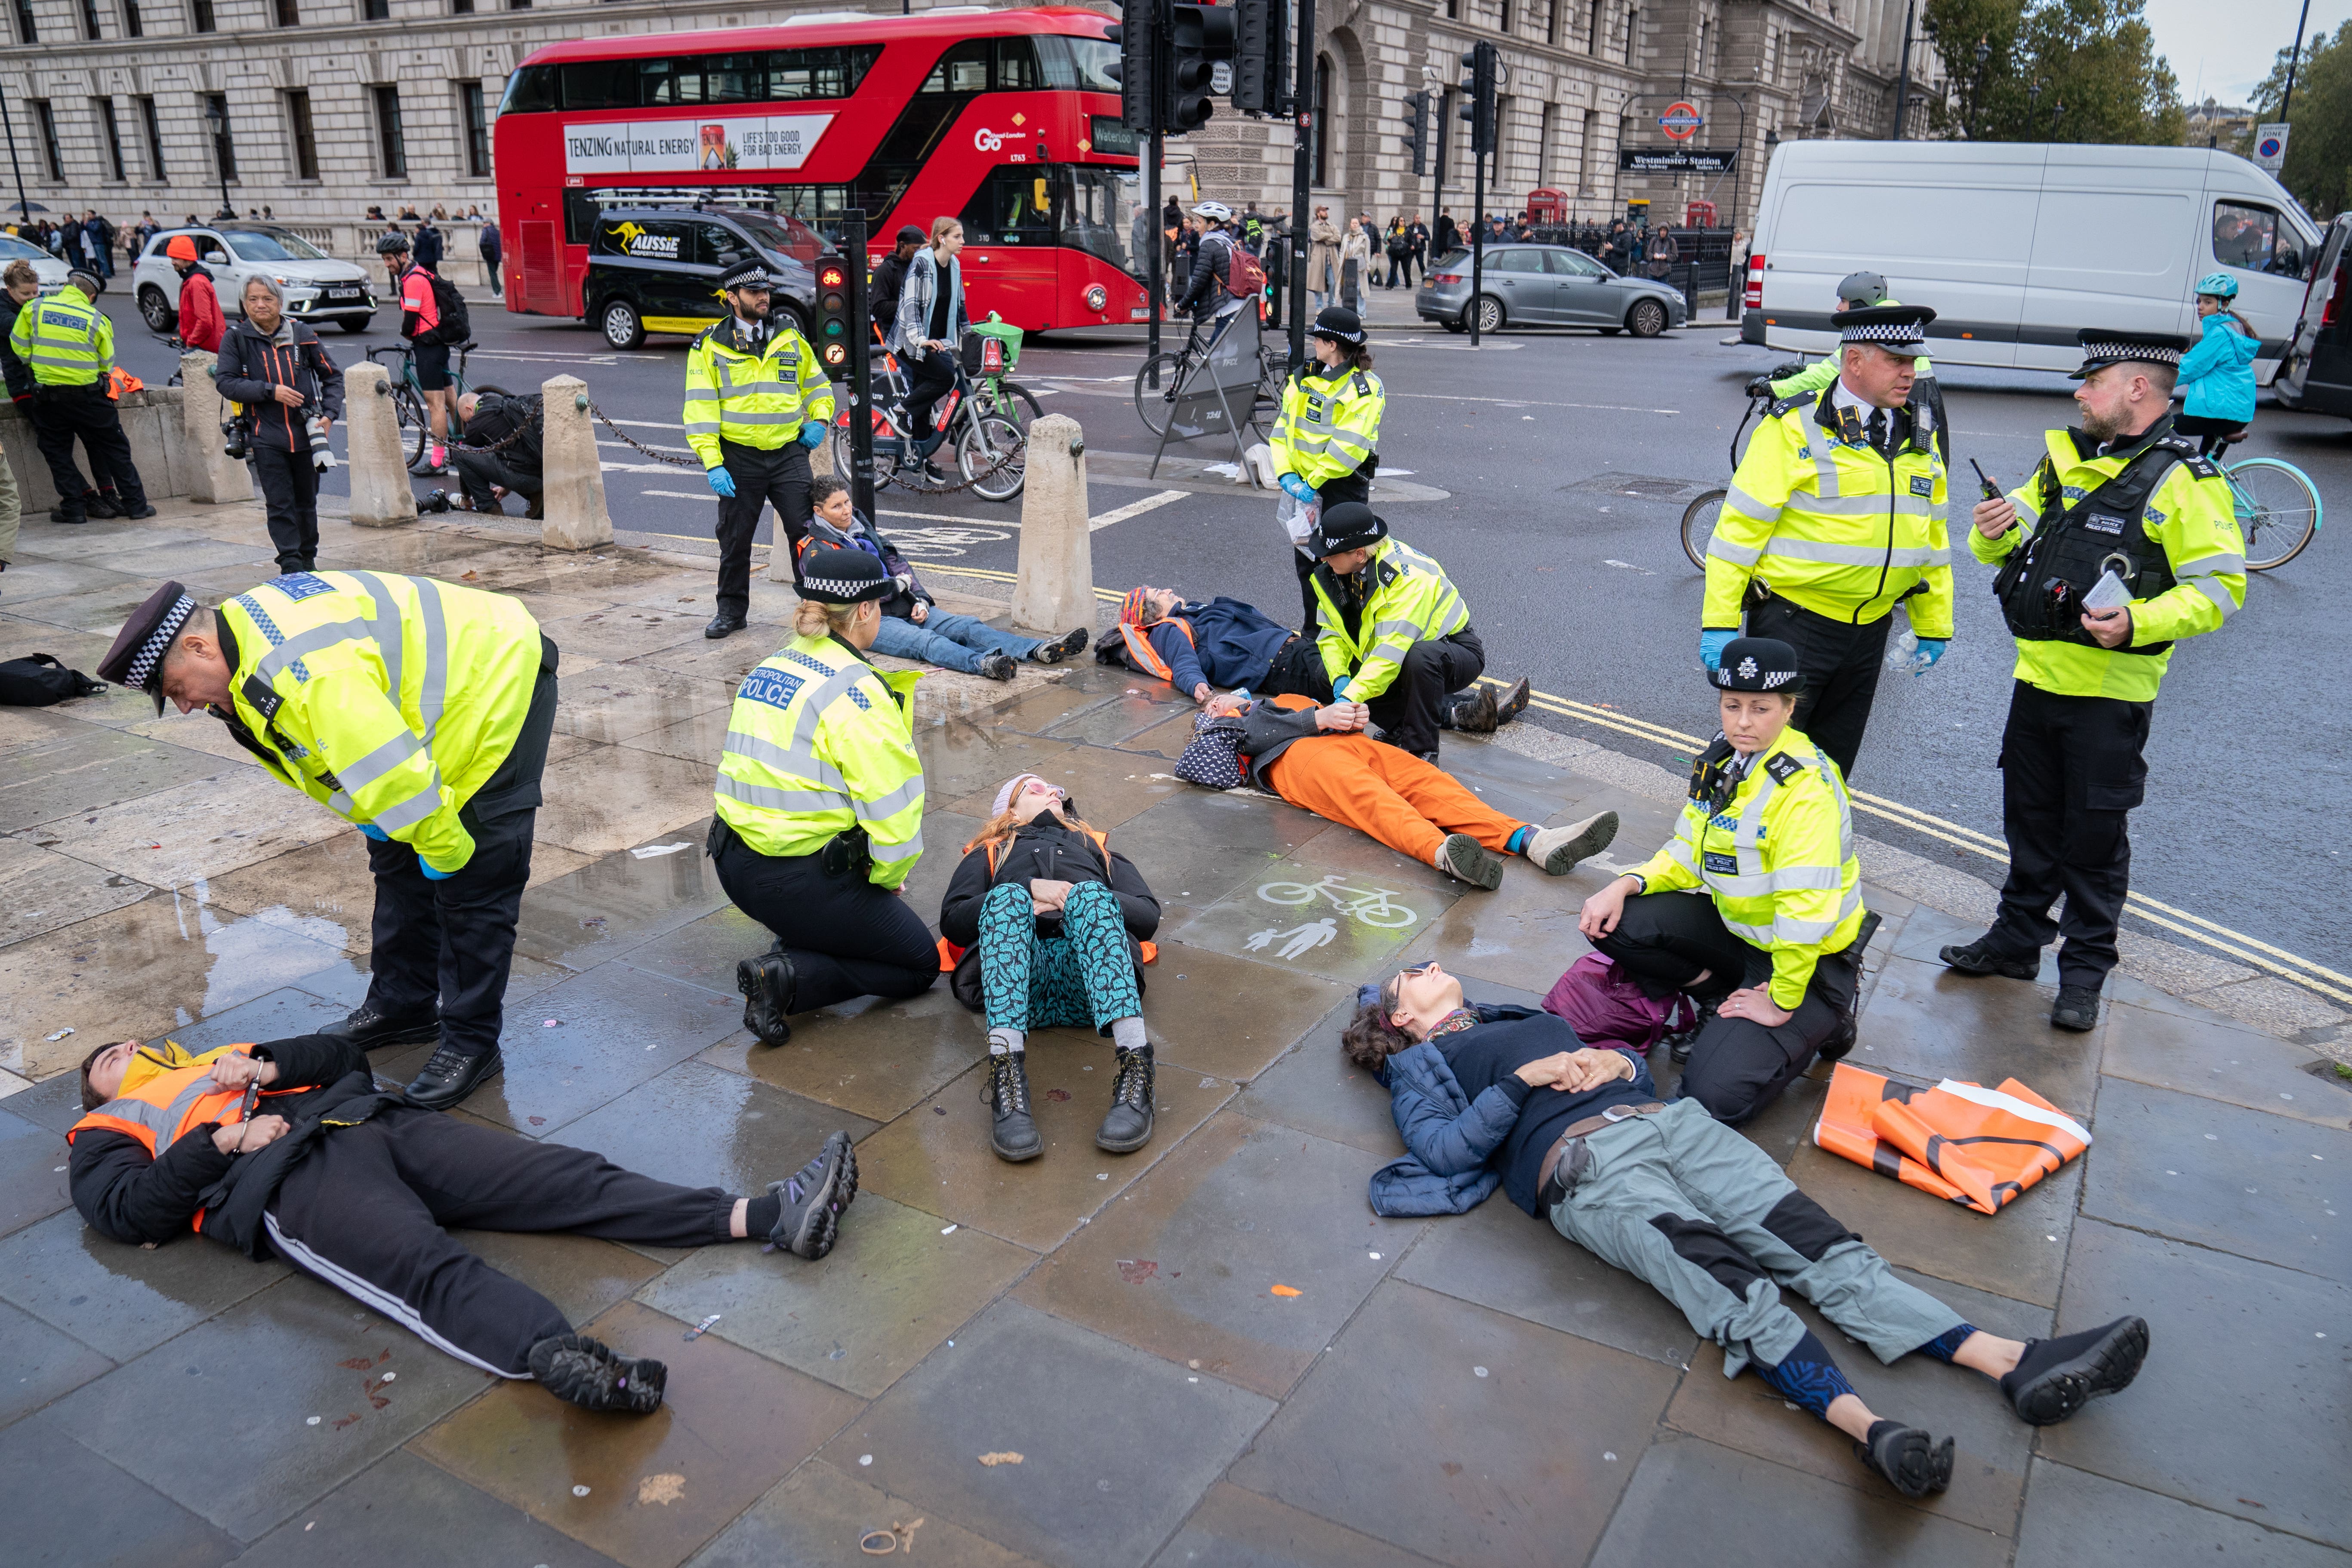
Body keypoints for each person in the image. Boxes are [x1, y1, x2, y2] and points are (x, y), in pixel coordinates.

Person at [1343, 961, 2151, 1500]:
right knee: (1723, 1281)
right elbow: (1447, 1148)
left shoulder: (1513, 1011)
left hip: (1669, 1126)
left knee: (1814, 1240)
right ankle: (1871, 1433)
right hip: (1590, 1169)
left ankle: (2008, 1361)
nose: (1423, 967)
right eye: (1407, 976)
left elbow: (1624, 1056)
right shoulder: (1418, 1069)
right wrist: (1527, 1078)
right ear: (1402, 1019)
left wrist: (1612, 1064)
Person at [68, 1032, 859, 1411]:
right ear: (97, 1094)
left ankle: (768, 1215)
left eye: (129, 1039)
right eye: (104, 1057)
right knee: (420, 1266)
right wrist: (226, 1139)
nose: (123, 1047)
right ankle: (564, 1360)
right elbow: (127, 1213)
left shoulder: (223, 1054)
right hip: (288, 1180)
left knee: (565, 1178)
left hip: (375, 1123)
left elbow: (346, 1060)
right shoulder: (107, 1132)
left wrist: (268, 1065)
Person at [95, 575, 557, 1110]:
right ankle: (403, 1006)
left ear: (198, 646)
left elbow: (386, 769)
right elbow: (331, 761)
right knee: (398, 862)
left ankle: (471, 1044)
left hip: (497, 677)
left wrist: (449, 851)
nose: (184, 707)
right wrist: (378, 823)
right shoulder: (243, 660)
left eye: (176, 690)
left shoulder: (305, 673)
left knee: (476, 877)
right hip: (428, 702)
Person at [1943, 331, 2244, 1033]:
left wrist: (2136, 622)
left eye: (2093, 381)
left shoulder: (2182, 482)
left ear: (2136, 389)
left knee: (2093, 845)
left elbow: (2221, 589)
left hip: (2111, 697)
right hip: (2037, 682)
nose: (2078, 393)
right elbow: (2001, 542)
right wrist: (1991, 527)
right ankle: (2015, 946)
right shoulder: (2063, 464)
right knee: (2029, 827)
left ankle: (2081, 977)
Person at [1577, 636, 1873, 1124]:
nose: (1742, 722)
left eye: (1760, 709)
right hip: (1741, 933)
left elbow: (1805, 912)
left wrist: (1780, 1001)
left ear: (1789, 708)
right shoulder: (1722, 761)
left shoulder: (1805, 791)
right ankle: (1720, 997)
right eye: (1732, 705)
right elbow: (1686, 854)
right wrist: (1625, 883)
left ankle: (1822, 1023)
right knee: (1614, 922)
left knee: (1712, 1099)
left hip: (1807, 963)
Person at [1703, 304, 1952, 781]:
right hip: (1794, 627)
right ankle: (1728, 850)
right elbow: (1737, 535)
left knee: (1829, 769)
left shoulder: (1920, 434)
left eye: (1914, 360)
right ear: (1853, 361)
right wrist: (1719, 623)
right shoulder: (1793, 427)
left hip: (1868, 632)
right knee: (1759, 767)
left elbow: (1932, 539)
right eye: (1896, 360)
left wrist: (1934, 622)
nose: (1911, 372)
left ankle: (1810, 853)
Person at [715, 548, 935, 1049]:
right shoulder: (854, 692)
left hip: (733, 864)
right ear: (863, 611)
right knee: (918, 964)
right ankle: (787, 979)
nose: (881, 614)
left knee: (840, 922)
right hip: (795, 879)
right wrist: (885, 880)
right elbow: (895, 813)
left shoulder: (773, 663)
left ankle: (800, 939)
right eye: (880, 605)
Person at [941, 774, 1162, 1162]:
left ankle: (1136, 1074)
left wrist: (1075, 898)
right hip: (1019, 987)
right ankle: (1007, 1080)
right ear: (1011, 811)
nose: (1054, 792)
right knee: (1007, 896)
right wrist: (1027, 889)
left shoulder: (1097, 847)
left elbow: (1147, 916)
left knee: (1091, 894)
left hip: (1095, 989)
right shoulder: (991, 851)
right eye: (1036, 789)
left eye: (1056, 789)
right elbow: (953, 920)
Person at [1199, 689, 1620, 887]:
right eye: (1215, 702)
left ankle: (1532, 841)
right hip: (1300, 759)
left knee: (1434, 787)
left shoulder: (1278, 697)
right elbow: (1206, 767)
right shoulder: (1222, 725)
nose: (1225, 698)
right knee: (1379, 806)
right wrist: (1314, 720)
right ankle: (1446, 856)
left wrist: (1354, 717)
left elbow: (1330, 713)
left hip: (1354, 744)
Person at [796, 475, 1087, 679]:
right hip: (865, 620)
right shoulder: (815, 551)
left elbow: (896, 561)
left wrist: (919, 598)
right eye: (837, 507)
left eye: (847, 502)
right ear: (818, 512)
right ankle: (985, 664)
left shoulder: (859, 525)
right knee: (926, 643)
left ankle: (1036, 650)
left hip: (903, 602)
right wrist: (893, 588)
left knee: (967, 626)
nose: (847, 510)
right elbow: (844, 596)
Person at [1307, 502, 1529, 761]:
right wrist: (1340, 680)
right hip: (1396, 652)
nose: (1323, 558)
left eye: (1331, 554)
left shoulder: (1407, 578)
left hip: (1453, 649)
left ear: (1358, 554)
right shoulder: (1335, 574)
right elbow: (1332, 635)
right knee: (1328, 673)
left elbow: (1390, 655)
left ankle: (1421, 751)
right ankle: (1400, 728)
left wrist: (1349, 697)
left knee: (1419, 658)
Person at [688, 257, 833, 638]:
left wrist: (819, 421)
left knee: (806, 536)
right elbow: (700, 410)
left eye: (766, 291)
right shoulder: (710, 346)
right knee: (735, 539)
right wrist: (712, 463)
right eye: (754, 292)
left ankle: (818, 611)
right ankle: (731, 612)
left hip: (788, 453)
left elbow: (818, 385)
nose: (763, 297)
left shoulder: (789, 335)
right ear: (733, 297)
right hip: (738, 457)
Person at [213, 276, 345, 576]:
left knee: (306, 503)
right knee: (279, 504)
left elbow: (332, 376)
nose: (260, 305)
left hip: (307, 436)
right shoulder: (236, 338)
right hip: (265, 436)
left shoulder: (302, 333)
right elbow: (226, 382)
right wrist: (270, 391)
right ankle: (290, 563)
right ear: (244, 304)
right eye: (253, 299)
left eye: (267, 299)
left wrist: (329, 415)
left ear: (279, 302)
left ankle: (308, 559)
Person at [9, 267, 154, 525]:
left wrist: (45, 366)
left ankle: (74, 510)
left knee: (57, 452)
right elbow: (106, 363)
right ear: (91, 296)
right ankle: (136, 506)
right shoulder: (98, 319)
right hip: (90, 399)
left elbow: (20, 347)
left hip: (48, 398)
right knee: (115, 449)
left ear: (68, 286)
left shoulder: (35, 309)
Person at [1754, 271, 1948, 464]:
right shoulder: (1900, 326)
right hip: (1922, 408)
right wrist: (1804, 370)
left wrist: (1774, 387)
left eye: (1844, 301)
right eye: (1897, 361)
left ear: (1859, 304)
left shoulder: (1872, 330)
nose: (1910, 372)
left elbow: (1829, 373)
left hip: (1898, 405)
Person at [1270, 306, 1384, 624]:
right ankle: (1314, 634)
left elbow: (1348, 446)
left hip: (1339, 487)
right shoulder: (1303, 376)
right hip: (1303, 486)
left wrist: (1312, 482)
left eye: (1317, 339)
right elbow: (1282, 429)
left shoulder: (1364, 387)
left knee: (1346, 567)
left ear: (1332, 344)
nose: (1314, 345)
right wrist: (1286, 474)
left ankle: (1349, 638)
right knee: (1308, 564)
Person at [1108, 585, 1307, 701]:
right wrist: (1196, 684)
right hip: (1278, 663)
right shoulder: (1164, 629)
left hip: (1289, 648)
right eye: (1159, 592)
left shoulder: (1190, 612)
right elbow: (1182, 661)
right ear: (1153, 612)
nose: (1169, 590)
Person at [891, 217, 970, 488]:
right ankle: (900, 411)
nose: (963, 242)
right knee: (946, 378)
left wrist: (967, 335)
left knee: (925, 402)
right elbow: (911, 306)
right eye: (958, 237)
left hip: (940, 342)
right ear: (942, 239)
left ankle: (920, 458)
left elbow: (959, 305)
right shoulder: (923, 263)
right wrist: (920, 340)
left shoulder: (955, 265)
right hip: (911, 343)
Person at [379, 232, 456, 477]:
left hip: (427, 346)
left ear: (403, 256)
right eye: (384, 259)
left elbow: (411, 320)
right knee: (451, 401)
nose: (387, 264)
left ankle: (437, 461)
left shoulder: (412, 280)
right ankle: (464, 448)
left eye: (390, 259)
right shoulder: (422, 272)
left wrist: (405, 334)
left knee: (436, 406)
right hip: (439, 343)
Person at [2171, 274, 2258, 456]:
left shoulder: (2220, 334)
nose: (2200, 307)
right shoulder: (2230, 328)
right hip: (2230, 409)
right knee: (2206, 466)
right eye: (2199, 301)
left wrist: (2159, 384)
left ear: (2224, 305)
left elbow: (2190, 367)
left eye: (2208, 302)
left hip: (2223, 411)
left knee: (2162, 426)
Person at [1173, 200, 1249, 364]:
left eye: (1200, 222)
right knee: (1219, 355)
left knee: (1216, 362)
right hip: (1238, 305)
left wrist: (1182, 304)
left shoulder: (1210, 245)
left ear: (1212, 224)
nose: (1196, 226)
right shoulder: (1227, 241)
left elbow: (1199, 281)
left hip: (1228, 308)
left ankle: (1232, 387)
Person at [447, 389, 543, 518]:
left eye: (467, 420)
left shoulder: (476, 424)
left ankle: (490, 508)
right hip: (544, 473)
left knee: (460, 453)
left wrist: (466, 497)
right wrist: (505, 489)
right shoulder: (504, 402)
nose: (468, 424)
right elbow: (516, 449)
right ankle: (535, 495)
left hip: (524, 479)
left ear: (469, 409)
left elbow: (466, 459)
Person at [867, 224, 925, 347]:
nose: (920, 253)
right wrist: (910, 305)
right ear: (902, 245)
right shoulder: (885, 271)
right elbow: (878, 307)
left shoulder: (917, 267)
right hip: (894, 334)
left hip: (916, 331)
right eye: (916, 249)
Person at [166, 234, 224, 354]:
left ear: (186, 259)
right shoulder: (193, 280)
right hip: (202, 346)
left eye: (175, 258)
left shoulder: (196, 283)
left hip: (202, 348)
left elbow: (205, 322)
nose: (172, 262)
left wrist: (191, 342)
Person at [1307, 206, 1341, 311]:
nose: (1326, 212)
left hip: (1331, 260)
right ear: (1318, 214)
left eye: (1326, 211)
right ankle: (1319, 306)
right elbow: (1317, 236)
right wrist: (1330, 237)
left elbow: (1338, 237)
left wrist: (1325, 239)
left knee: (1333, 283)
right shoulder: (1314, 226)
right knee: (1318, 284)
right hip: (1318, 259)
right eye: (1323, 211)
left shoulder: (1332, 226)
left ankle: (1331, 304)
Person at [1339, 217, 1371, 313]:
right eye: (1353, 223)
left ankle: (1361, 312)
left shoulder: (1364, 237)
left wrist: (1368, 266)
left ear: (1359, 225)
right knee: (1346, 288)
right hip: (1347, 266)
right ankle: (1347, 311)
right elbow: (1342, 251)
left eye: (1356, 223)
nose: (1354, 225)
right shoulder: (1346, 237)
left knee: (1359, 289)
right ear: (1350, 225)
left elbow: (1367, 253)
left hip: (1359, 266)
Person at [478, 214, 503, 297]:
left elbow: (482, 242)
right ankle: (498, 290)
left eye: (485, 223)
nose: (484, 225)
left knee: (492, 274)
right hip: (498, 256)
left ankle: (497, 292)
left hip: (490, 255)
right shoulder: (497, 231)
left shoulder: (486, 230)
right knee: (494, 273)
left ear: (488, 223)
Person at [1406, 214, 1429, 286]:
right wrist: (1410, 245)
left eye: (1419, 218)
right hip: (1412, 249)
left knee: (1421, 264)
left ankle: (1426, 279)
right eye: (1416, 218)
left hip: (1420, 248)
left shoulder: (1423, 227)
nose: (1418, 220)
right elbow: (1407, 238)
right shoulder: (1410, 227)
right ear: (1414, 219)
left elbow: (1428, 237)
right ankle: (1408, 282)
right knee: (1408, 265)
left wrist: (1423, 237)